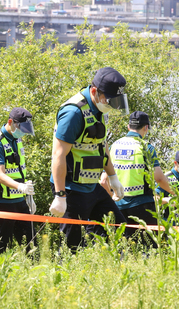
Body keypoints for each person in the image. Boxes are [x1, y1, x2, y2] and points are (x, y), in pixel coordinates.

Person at [48, 67, 129, 252]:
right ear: (94, 91)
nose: (111, 105)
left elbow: (102, 145)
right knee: (71, 246)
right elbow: (58, 155)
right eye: (109, 100)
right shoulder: (73, 113)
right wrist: (60, 196)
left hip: (92, 186)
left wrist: (113, 177)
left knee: (119, 230)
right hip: (71, 188)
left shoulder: (101, 108)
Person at [102, 111, 173, 246]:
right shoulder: (146, 147)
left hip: (118, 206)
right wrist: (176, 193)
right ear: (146, 127)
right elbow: (160, 179)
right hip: (143, 206)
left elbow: (103, 181)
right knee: (149, 247)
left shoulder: (113, 146)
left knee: (123, 247)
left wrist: (112, 197)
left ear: (128, 126)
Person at [0, 108, 37, 254]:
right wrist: (20, 187)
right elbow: (0, 175)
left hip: (19, 199)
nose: (23, 132)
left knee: (30, 241)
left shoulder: (16, 139)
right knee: (1, 244)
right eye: (22, 128)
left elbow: (18, 170)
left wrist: (28, 197)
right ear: (10, 122)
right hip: (2, 201)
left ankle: (34, 271)